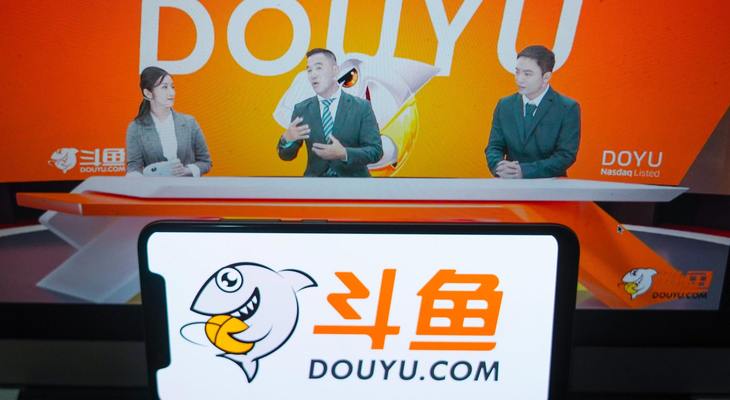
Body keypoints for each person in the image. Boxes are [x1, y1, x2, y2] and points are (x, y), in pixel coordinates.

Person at [277, 48, 383, 177]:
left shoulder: (361, 107)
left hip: (353, 184)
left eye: (318, 68)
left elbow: (376, 151)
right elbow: (286, 156)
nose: (313, 75)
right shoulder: (302, 109)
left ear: (335, 70)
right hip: (316, 185)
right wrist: (287, 140)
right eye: (309, 70)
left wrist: (344, 153)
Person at [485, 45, 580, 178]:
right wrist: (498, 165)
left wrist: (525, 171)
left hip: (550, 185)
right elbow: (494, 147)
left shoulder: (567, 108)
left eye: (527, 74)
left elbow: (565, 155)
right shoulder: (505, 105)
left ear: (546, 77)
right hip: (510, 184)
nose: (519, 79)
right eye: (517, 72)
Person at [126, 66, 212, 177]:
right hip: (154, 187)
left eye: (172, 87)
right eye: (164, 87)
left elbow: (206, 162)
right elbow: (134, 167)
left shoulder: (189, 122)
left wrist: (186, 170)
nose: (172, 93)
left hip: (186, 186)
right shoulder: (136, 128)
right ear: (148, 93)